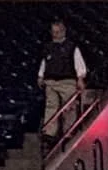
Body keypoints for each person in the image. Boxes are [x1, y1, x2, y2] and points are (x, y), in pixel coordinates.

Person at [37, 19, 88, 151]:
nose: (55, 34)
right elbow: (45, 62)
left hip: (67, 81)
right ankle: (49, 133)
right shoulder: (48, 47)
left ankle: (69, 131)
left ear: (63, 31)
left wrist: (80, 78)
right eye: (53, 32)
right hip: (51, 81)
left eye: (57, 32)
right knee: (51, 106)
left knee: (69, 108)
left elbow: (79, 63)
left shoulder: (71, 47)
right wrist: (41, 76)